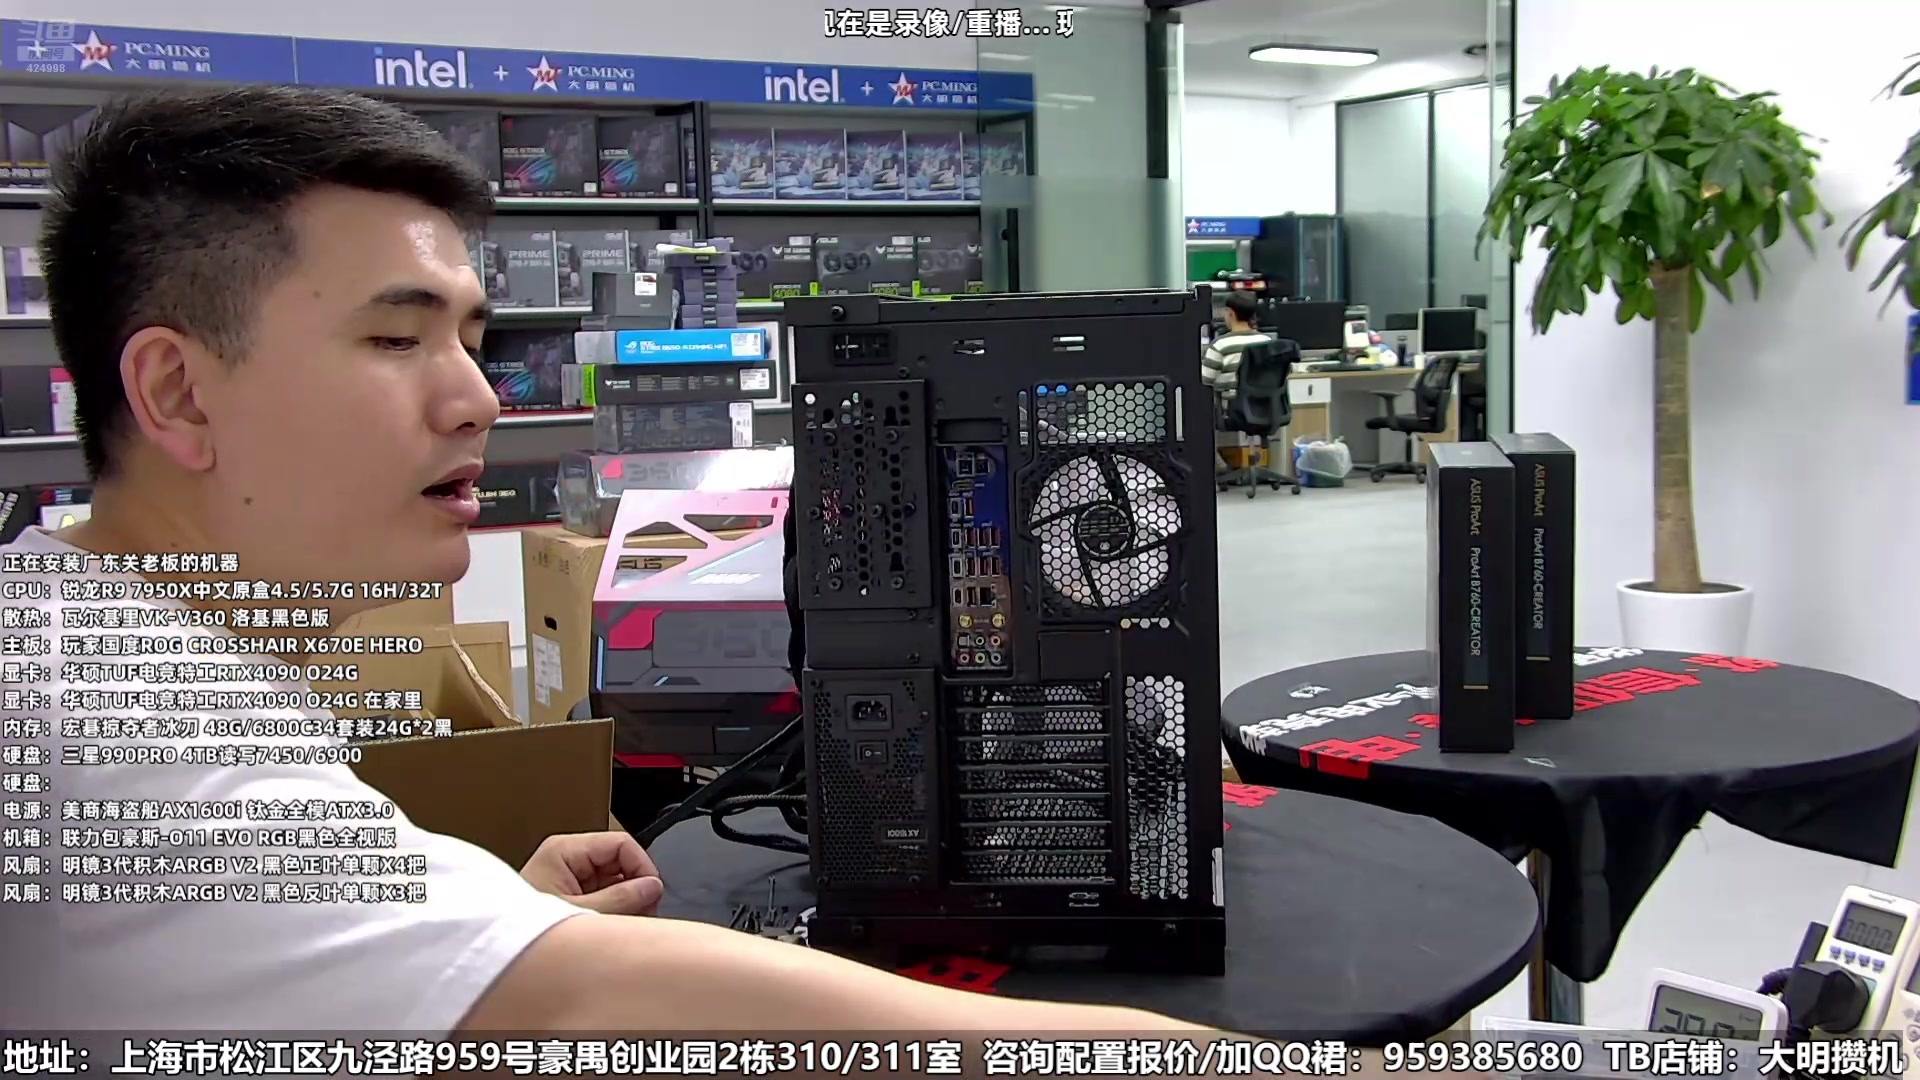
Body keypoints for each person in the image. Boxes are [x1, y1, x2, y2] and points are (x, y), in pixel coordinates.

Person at [0, 85, 1215, 1037]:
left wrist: (475, 925)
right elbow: (645, 1010)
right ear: (179, 391)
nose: (478, 399)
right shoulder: (121, 744)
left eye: (473, 340)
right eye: (395, 339)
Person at [1202, 291, 1274, 399]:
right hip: (1263, 405)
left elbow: (1204, 381)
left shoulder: (1220, 345)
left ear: (1230, 313)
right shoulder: (1268, 342)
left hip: (1229, 406)